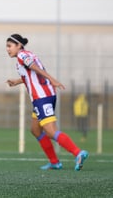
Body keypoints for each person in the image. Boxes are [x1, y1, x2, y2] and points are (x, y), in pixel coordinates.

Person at [6, 33, 88, 171]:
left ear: (19, 45)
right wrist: (18, 81)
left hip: (42, 97)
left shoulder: (22, 55)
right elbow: (32, 73)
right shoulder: (26, 55)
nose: (7, 49)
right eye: (6, 47)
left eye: (9, 46)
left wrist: (52, 79)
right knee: (36, 129)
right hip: (43, 96)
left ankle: (78, 153)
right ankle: (54, 162)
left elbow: (35, 68)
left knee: (50, 131)